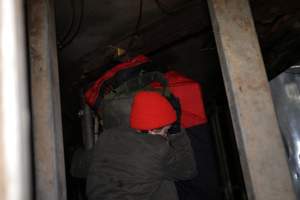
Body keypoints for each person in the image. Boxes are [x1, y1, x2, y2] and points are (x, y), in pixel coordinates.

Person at [86, 91, 197, 200]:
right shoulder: (158, 148)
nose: (166, 136)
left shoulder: (107, 136)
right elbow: (188, 171)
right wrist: (177, 134)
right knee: (166, 181)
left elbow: (80, 167)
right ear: (153, 131)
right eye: (166, 130)